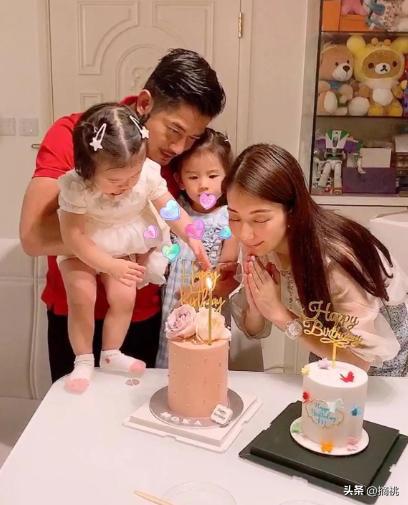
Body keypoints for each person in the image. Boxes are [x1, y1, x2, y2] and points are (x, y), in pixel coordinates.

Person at [19, 49, 225, 381]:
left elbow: (188, 218)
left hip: (142, 314)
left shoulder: (178, 161)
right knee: (77, 407)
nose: (179, 148)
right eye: (174, 131)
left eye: (192, 137)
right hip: (75, 309)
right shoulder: (77, 137)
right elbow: (33, 237)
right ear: (144, 103)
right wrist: (116, 246)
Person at [58, 102, 210, 392]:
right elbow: (73, 236)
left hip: (121, 243)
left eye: (133, 176)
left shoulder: (147, 175)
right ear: (88, 169)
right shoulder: (77, 187)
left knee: (125, 296)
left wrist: (192, 235)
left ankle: (111, 353)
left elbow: (170, 210)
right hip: (83, 247)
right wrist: (109, 264)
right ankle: (84, 360)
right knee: (82, 296)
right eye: (115, 180)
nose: (126, 186)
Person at [225, 143, 408, 375]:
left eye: (260, 219)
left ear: (292, 211)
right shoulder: (259, 244)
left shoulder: (336, 261)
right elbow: (254, 328)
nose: (244, 234)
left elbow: (358, 363)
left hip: (380, 362)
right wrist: (257, 305)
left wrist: (282, 315)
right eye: (234, 217)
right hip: (325, 345)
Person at [155, 129, 239, 368]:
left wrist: (192, 294)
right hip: (170, 305)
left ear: (227, 177)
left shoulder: (229, 217)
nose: (203, 185)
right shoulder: (175, 211)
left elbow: (227, 271)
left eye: (213, 176)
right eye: (193, 177)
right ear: (180, 180)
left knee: (204, 363)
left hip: (207, 307)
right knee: (172, 362)